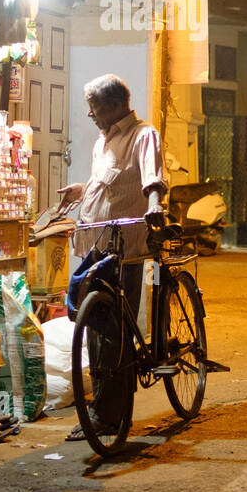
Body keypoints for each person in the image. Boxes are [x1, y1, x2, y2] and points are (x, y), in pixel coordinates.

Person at [55, 74, 166, 441]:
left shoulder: (143, 134)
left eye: (95, 106)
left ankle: (112, 417)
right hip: (95, 246)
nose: (89, 114)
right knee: (95, 330)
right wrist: (81, 189)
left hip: (126, 249)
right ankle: (103, 411)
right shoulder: (104, 142)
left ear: (116, 105)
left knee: (113, 335)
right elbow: (110, 183)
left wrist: (154, 206)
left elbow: (151, 178)